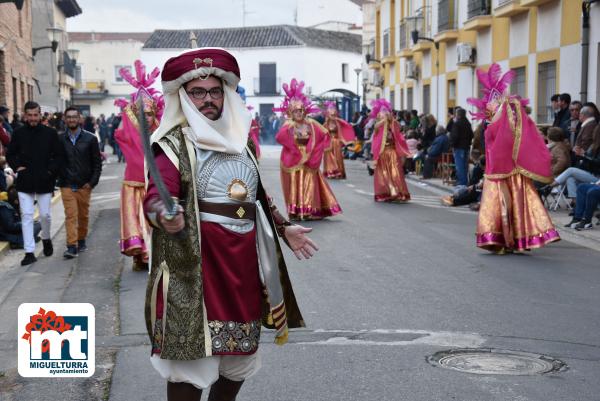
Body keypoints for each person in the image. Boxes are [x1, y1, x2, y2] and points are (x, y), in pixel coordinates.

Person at [142, 47, 316, 401]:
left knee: (239, 361)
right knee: (189, 368)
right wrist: (165, 214)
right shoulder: (173, 146)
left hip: (242, 266)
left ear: (226, 94)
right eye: (198, 92)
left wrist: (284, 228)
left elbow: (255, 195)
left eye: (215, 91)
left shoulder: (242, 141)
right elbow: (156, 197)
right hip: (196, 269)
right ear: (184, 97)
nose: (208, 99)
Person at [468, 64, 559, 253]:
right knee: (512, 206)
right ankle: (512, 241)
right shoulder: (497, 120)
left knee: (510, 205)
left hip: (505, 171)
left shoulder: (506, 120)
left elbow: (502, 140)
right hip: (502, 170)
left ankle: (510, 241)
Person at [114, 60, 163, 271]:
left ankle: (157, 256)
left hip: (156, 185)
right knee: (138, 221)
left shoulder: (162, 134)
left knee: (155, 222)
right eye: (141, 113)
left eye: (150, 113)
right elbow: (122, 130)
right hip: (134, 185)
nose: (146, 117)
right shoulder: (129, 134)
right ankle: (141, 258)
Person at [275, 79, 342, 220]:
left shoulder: (311, 123)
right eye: (295, 111)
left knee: (309, 183)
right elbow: (280, 137)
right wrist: (295, 149)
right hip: (294, 158)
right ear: (291, 112)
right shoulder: (289, 125)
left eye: (300, 110)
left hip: (309, 157)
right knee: (295, 183)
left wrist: (318, 149)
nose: (298, 113)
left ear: (304, 111)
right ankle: (296, 211)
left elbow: (324, 134)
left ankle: (309, 211)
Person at [6, 101, 60, 265]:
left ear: (40, 114)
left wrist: (50, 172)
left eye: (35, 115)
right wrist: (16, 167)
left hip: (45, 180)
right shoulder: (18, 133)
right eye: (29, 115)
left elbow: (57, 156)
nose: (33, 118)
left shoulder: (50, 133)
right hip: (25, 180)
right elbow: (10, 154)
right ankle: (29, 252)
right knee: (27, 215)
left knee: (45, 215)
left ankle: (46, 237)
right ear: (25, 115)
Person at [57, 107, 102, 259]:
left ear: (79, 119)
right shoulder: (60, 139)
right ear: (64, 119)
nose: (71, 120)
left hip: (84, 185)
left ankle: (81, 240)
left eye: (74, 117)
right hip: (67, 184)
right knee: (71, 216)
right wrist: (59, 178)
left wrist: (92, 183)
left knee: (83, 216)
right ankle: (71, 246)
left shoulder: (90, 139)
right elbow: (55, 160)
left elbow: (97, 163)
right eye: (68, 117)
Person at [368, 98, 411, 202]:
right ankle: (386, 193)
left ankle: (397, 193)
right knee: (384, 175)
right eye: (382, 113)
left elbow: (399, 131)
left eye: (386, 112)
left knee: (395, 173)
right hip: (382, 154)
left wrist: (391, 121)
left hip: (392, 153)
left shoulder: (393, 125)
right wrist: (384, 120)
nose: (384, 114)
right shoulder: (378, 126)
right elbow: (376, 130)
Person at [322, 101, 356, 179]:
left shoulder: (338, 124)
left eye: (334, 114)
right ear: (328, 114)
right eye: (331, 114)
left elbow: (341, 133)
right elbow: (323, 134)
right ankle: (330, 171)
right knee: (330, 158)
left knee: (337, 158)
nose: (333, 116)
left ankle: (337, 171)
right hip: (328, 144)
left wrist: (345, 142)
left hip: (336, 143)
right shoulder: (325, 124)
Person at [449, 107, 474, 186]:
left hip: (458, 147)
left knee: (459, 167)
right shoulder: (468, 123)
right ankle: (465, 182)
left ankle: (462, 184)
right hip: (466, 147)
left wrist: (452, 145)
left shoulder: (457, 123)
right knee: (464, 166)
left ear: (458, 115)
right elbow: (471, 135)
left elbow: (455, 136)